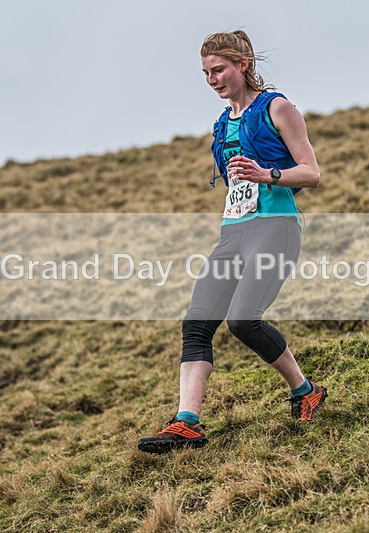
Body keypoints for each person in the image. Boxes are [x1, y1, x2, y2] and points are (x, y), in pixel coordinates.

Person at [138, 30, 326, 454]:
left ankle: (305, 390)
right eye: (205, 73)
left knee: (242, 321)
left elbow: (311, 173)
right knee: (196, 323)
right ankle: (187, 422)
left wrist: (268, 175)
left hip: (274, 228)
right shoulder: (223, 123)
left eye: (218, 69)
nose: (212, 79)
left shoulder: (278, 107)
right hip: (232, 232)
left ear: (243, 65)